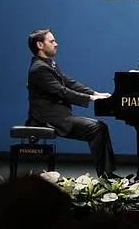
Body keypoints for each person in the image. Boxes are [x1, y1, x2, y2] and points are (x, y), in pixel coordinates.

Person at [26, 29, 121, 179]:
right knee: (97, 128)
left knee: (99, 127)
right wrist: (90, 98)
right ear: (40, 45)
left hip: (58, 116)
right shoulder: (39, 69)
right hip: (47, 120)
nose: (56, 44)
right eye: (52, 41)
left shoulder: (48, 64)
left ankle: (107, 174)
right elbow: (62, 91)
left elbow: (69, 83)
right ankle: (106, 176)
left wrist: (96, 93)